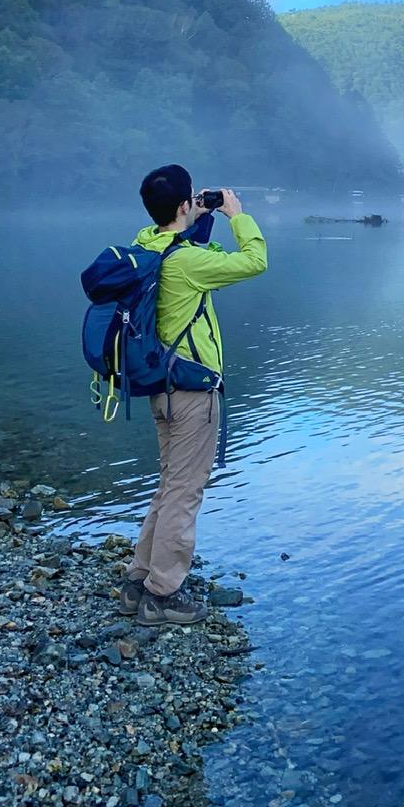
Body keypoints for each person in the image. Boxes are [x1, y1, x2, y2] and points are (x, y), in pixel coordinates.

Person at [121, 164, 265, 625]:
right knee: (186, 491)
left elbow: (181, 239)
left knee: (169, 483)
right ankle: (162, 595)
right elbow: (254, 261)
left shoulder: (147, 245)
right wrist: (237, 215)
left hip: (159, 387)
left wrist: (194, 214)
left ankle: (138, 581)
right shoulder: (187, 263)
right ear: (183, 205)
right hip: (192, 391)